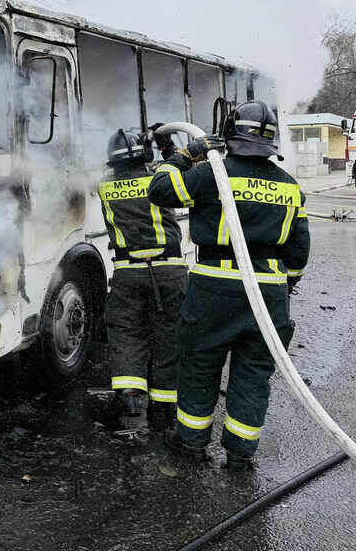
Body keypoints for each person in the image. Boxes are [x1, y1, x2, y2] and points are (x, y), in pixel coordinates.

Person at [148, 101, 309, 470]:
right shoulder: (290, 187)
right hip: (268, 291)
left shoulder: (212, 174)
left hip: (214, 286)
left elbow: (161, 189)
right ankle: (240, 453)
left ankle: (190, 442)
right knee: (254, 373)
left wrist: (187, 154)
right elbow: (299, 251)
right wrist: (287, 285)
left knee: (200, 363)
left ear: (230, 134)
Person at [96, 129, 188, 432]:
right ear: (143, 156)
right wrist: (167, 146)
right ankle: (164, 408)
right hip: (169, 270)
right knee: (168, 336)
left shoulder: (105, 187)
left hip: (128, 271)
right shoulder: (157, 180)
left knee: (126, 332)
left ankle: (132, 396)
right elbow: (180, 173)